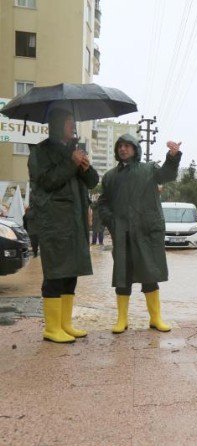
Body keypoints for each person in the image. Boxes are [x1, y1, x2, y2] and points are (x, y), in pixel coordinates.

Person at [98, 134, 182, 334]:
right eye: (120, 146)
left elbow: (167, 175)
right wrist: (112, 222)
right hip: (122, 233)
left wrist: (173, 156)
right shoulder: (110, 177)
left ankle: (156, 318)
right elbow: (102, 203)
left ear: (135, 149)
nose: (123, 149)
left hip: (145, 233)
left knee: (149, 275)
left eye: (128, 146)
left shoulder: (149, 169)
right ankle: (121, 320)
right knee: (122, 277)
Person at [28, 108, 99, 343]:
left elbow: (93, 182)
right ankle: (51, 328)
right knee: (56, 273)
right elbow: (47, 181)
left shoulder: (74, 150)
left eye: (73, 121)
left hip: (76, 220)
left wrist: (86, 167)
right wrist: (71, 163)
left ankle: (65, 324)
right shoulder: (41, 151)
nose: (73, 125)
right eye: (69, 121)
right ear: (57, 124)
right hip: (54, 221)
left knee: (71, 273)